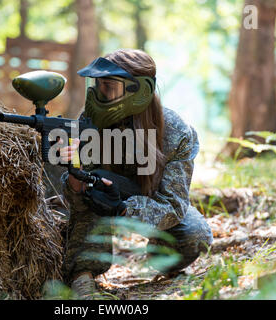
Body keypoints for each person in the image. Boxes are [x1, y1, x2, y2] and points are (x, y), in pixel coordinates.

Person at [59, 49, 213, 299]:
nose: (101, 94)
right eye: (98, 85)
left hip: (149, 198)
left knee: (195, 235)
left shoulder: (176, 133)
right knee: (93, 189)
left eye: (110, 87)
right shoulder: (90, 121)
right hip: (104, 193)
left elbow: (173, 205)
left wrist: (122, 208)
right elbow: (76, 198)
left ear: (139, 91)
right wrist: (76, 180)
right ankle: (82, 275)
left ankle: (159, 259)